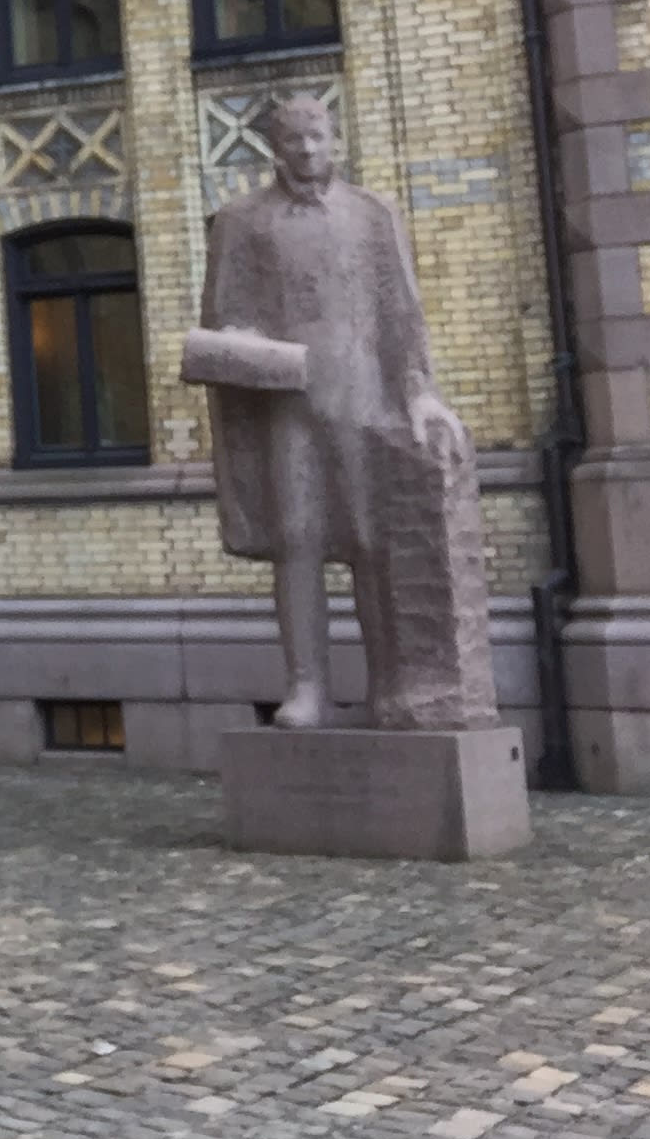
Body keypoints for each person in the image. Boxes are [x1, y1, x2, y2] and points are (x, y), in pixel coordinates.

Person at [194, 92, 495, 732]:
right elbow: (222, 316)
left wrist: (420, 391)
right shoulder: (242, 221)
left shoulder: (370, 214)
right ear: (275, 147)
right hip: (288, 408)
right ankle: (308, 687)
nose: (307, 150)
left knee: (371, 540)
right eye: (293, 140)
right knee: (296, 538)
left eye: (317, 137)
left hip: (365, 401)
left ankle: (392, 684)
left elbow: (401, 311)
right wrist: (244, 343)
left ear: (335, 137)